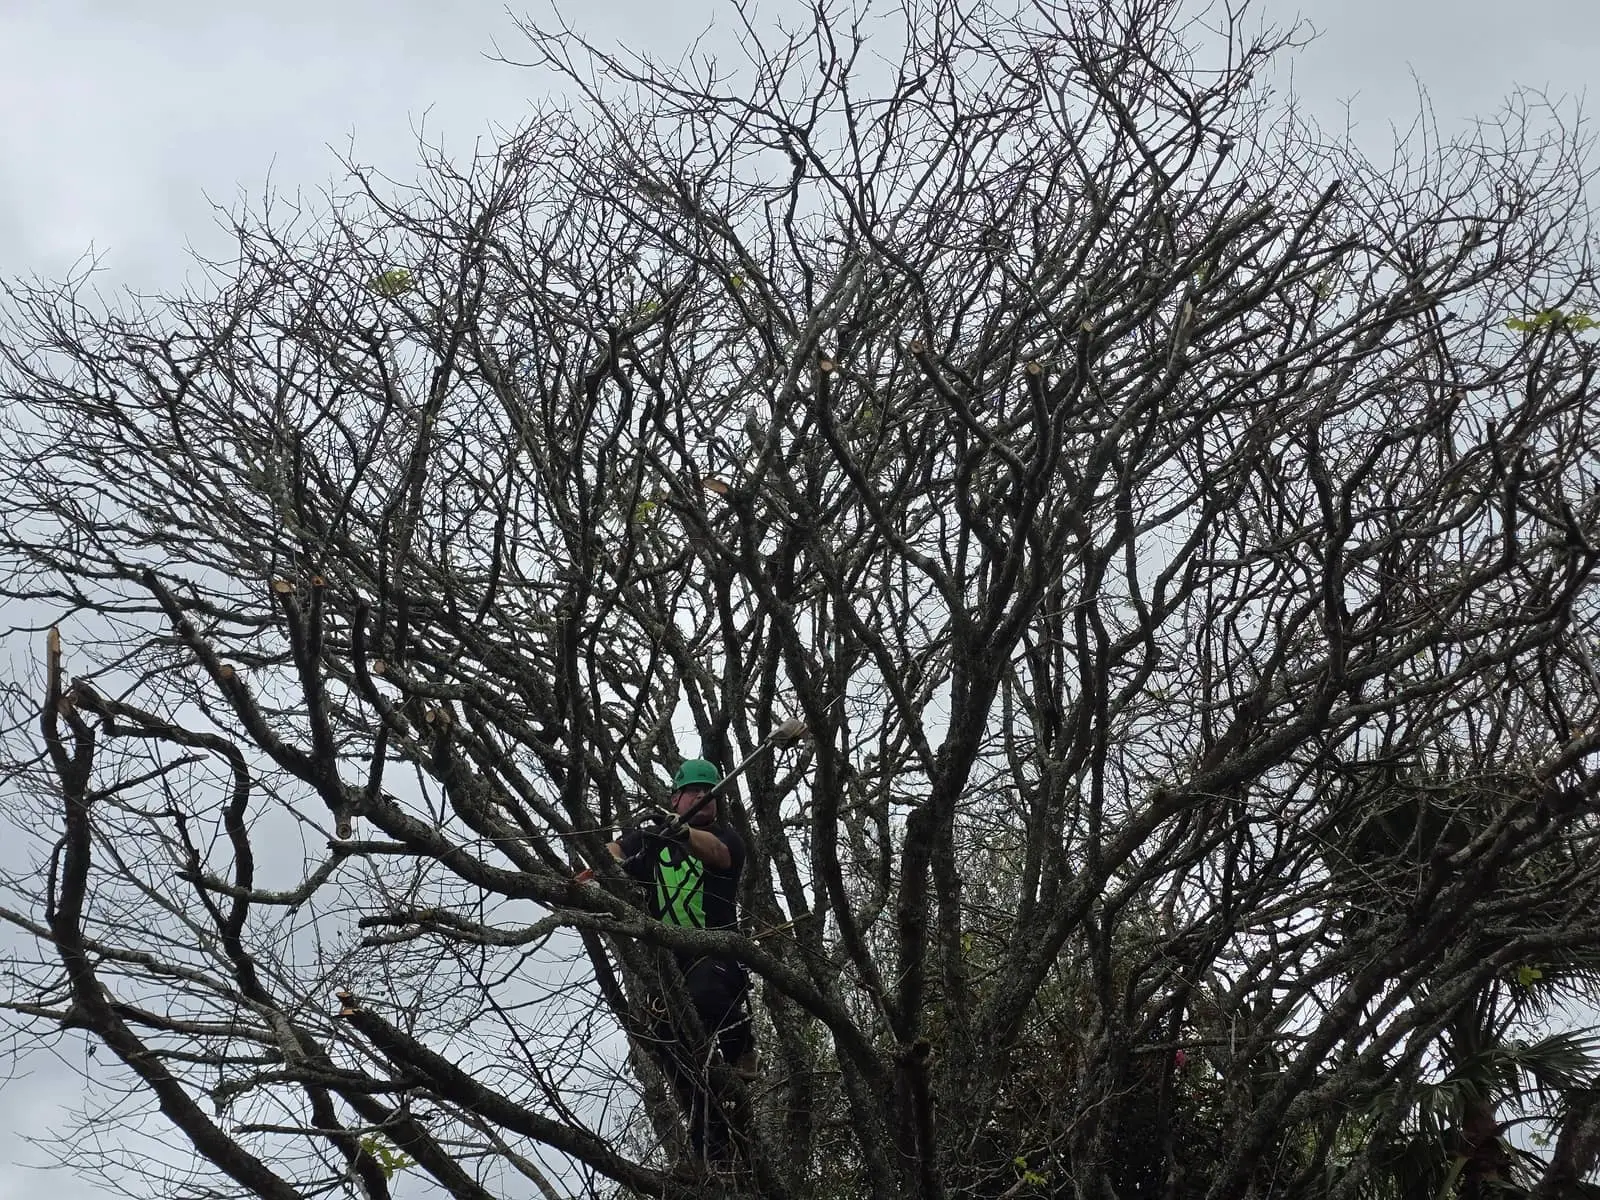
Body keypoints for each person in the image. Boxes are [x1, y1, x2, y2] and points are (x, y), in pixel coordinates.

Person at [608, 757, 754, 1173]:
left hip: (718, 955)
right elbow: (613, 853)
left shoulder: (725, 836)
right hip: (672, 967)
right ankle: (711, 1145)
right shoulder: (651, 837)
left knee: (706, 996)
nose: (703, 798)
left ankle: (742, 1046)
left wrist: (685, 831)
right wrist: (611, 859)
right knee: (671, 1047)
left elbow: (720, 855)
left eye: (710, 794)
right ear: (676, 796)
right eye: (694, 792)